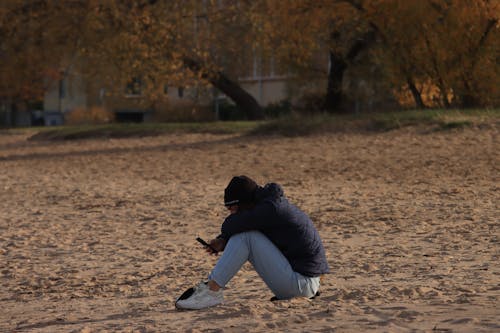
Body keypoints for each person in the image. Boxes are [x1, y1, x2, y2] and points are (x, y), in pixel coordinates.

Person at [175, 175, 330, 310]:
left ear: (245, 202)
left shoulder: (271, 209)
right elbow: (241, 224)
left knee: (247, 237)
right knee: (246, 234)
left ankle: (211, 291)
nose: (232, 212)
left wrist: (224, 238)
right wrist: (224, 240)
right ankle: (210, 288)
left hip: (302, 285)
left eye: (233, 208)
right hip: (303, 282)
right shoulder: (268, 206)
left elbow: (231, 224)